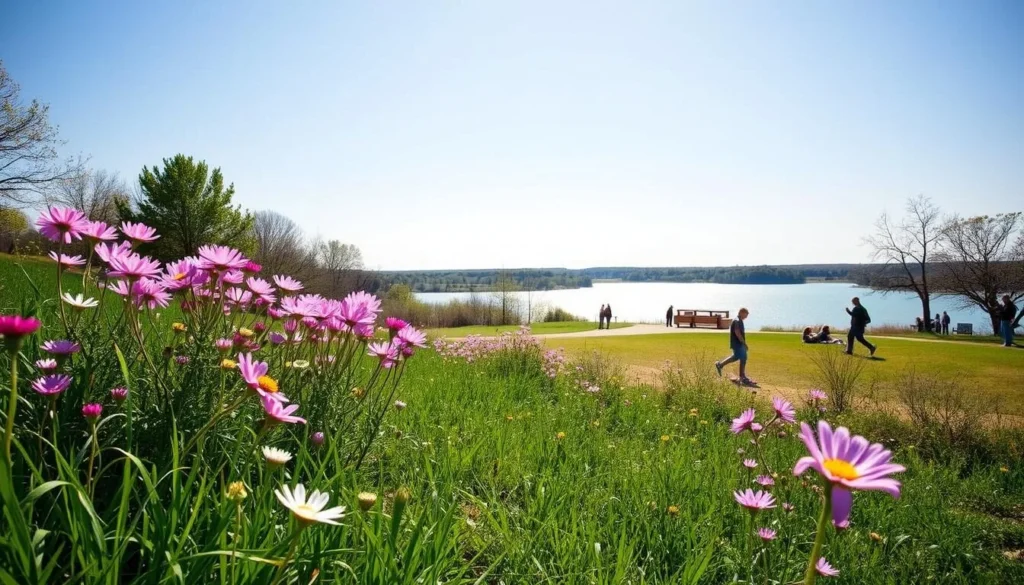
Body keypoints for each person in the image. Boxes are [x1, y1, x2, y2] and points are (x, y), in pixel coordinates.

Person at [715, 307, 752, 384]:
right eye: (746, 314)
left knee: (741, 357)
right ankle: (741, 376)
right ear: (741, 313)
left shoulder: (739, 320)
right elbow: (737, 332)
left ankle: (721, 365)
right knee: (741, 357)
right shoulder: (737, 321)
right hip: (737, 344)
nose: (746, 316)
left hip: (739, 343)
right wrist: (744, 343)